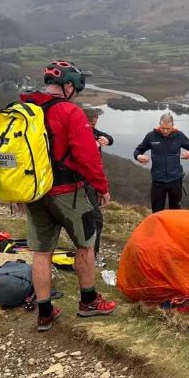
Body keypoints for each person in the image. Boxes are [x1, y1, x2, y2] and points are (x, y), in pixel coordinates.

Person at [21, 60, 116, 332]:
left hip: (34, 191)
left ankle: (45, 313)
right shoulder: (69, 112)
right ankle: (88, 301)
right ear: (69, 86)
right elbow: (87, 157)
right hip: (67, 192)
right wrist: (102, 188)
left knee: (42, 252)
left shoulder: (27, 109)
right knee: (85, 245)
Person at [134, 112, 189, 212]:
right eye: (163, 128)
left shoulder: (179, 136)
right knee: (157, 212)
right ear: (159, 124)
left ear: (173, 125)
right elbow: (138, 150)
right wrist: (138, 156)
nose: (166, 131)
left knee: (175, 212)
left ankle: (173, 228)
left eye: (168, 128)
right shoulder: (151, 136)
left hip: (175, 180)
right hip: (158, 181)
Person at [82, 106, 113, 266]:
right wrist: (103, 189)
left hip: (92, 184)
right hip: (83, 184)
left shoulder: (92, 132)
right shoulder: (80, 135)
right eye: (91, 124)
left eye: (94, 125)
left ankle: (89, 255)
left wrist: (106, 140)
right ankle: (90, 257)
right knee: (96, 220)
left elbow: (109, 137)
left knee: (90, 219)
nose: (93, 128)